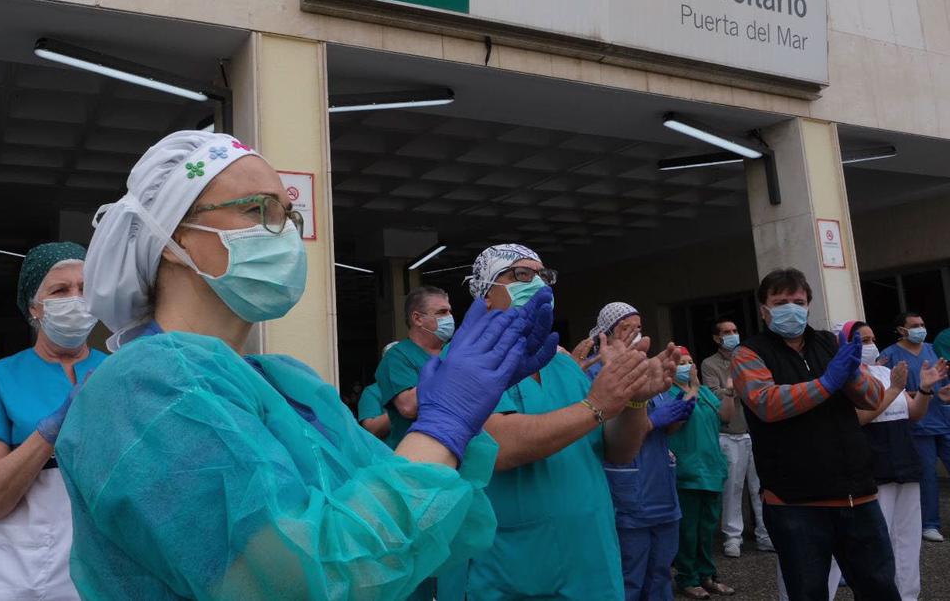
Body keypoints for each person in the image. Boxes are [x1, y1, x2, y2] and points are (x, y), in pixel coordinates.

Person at [55, 130, 560, 599]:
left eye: (287, 217)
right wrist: (445, 425)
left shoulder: (285, 384)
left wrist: (466, 412)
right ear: (171, 238)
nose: (283, 234)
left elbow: (432, 537)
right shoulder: (144, 390)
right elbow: (302, 579)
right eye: (256, 209)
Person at [438, 245, 677, 601]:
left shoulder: (560, 365)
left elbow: (618, 450)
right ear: (487, 293)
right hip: (510, 568)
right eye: (521, 275)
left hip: (591, 564)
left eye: (543, 276)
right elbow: (500, 445)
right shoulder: (460, 362)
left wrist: (633, 400)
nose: (538, 285)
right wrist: (596, 404)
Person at [731, 267, 897, 601]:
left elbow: (873, 398)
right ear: (764, 310)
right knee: (808, 593)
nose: (790, 308)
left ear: (808, 305)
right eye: (780, 302)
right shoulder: (749, 353)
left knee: (879, 588)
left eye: (798, 300)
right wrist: (825, 383)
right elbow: (766, 402)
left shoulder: (832, 343)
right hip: (795, 503)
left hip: (857, 497)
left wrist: (850, 374)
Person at [0, 242, 107, 600]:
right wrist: (48, 433)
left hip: (105, 572)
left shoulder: (117, 372)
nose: (76, 299)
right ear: (34, 307)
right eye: (60, 290)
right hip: (18, 574)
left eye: (85, 289)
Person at [820, 320, 948, 601]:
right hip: (871, 470)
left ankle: (907, 596)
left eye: (871, 338)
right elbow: (857, 419)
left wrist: (926, 390)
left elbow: (912, 413)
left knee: (908, 541)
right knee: (873, 545)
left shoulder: (886, 371)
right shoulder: (840, 377)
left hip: (903, 463)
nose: (870, 345)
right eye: (862, 340)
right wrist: (893, 390)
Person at [588, 303, 694, 601]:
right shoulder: (597, 374)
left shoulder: (649, 371)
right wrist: (650, 420)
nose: (636, 333)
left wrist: (677, 415)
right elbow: (599, 432)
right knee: (628, 578)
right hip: (627, 493)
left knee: (660, 575)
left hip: (661, 489)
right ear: (605, 335)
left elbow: (665, 430)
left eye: (638, 326)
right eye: (626, 328)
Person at [700, 316, 773, 558]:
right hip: (729, 433)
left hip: (755, 431)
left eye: (735, 329)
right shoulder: (710, 364)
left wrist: (734, 389)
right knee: (732, 488)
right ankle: (733, 537)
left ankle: (765, 534)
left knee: (760, 487)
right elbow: (713, 394)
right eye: (727, 331)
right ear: (716, 338)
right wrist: (738, 390)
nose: (732, 334)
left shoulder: (748, 357)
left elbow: (764, 387)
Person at [667, 348, 734, 598]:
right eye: (681, 363)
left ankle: (707, 575)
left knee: (707, 530)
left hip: (712, 470)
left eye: (690, 361)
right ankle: (687, 577)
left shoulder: (706, 392)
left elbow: (725, 417)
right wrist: (691, 390)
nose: (688, 366)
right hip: (687, 472)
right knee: (688, 530)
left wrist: (729, 392)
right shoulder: (667, 393)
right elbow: (675, 423)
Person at [879, 311, 950, 542]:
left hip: (943, 420)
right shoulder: (889, 356)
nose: (921, 328)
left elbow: (944, 380)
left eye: (922, 324)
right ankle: (930, 523)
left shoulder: (932, 350)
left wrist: (944, 394)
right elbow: (889, 392)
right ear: (901, 330)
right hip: (918, 425)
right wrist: (923, 391)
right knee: (927, 476)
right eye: (915, 325)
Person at [375, 286, 455, 448]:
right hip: (418, 456)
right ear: (417, 318)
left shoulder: (454, 351)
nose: (450, 317)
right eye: (442, 312)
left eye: (449, 312)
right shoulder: (397, 357)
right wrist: (456, 379)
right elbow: (408, 406)